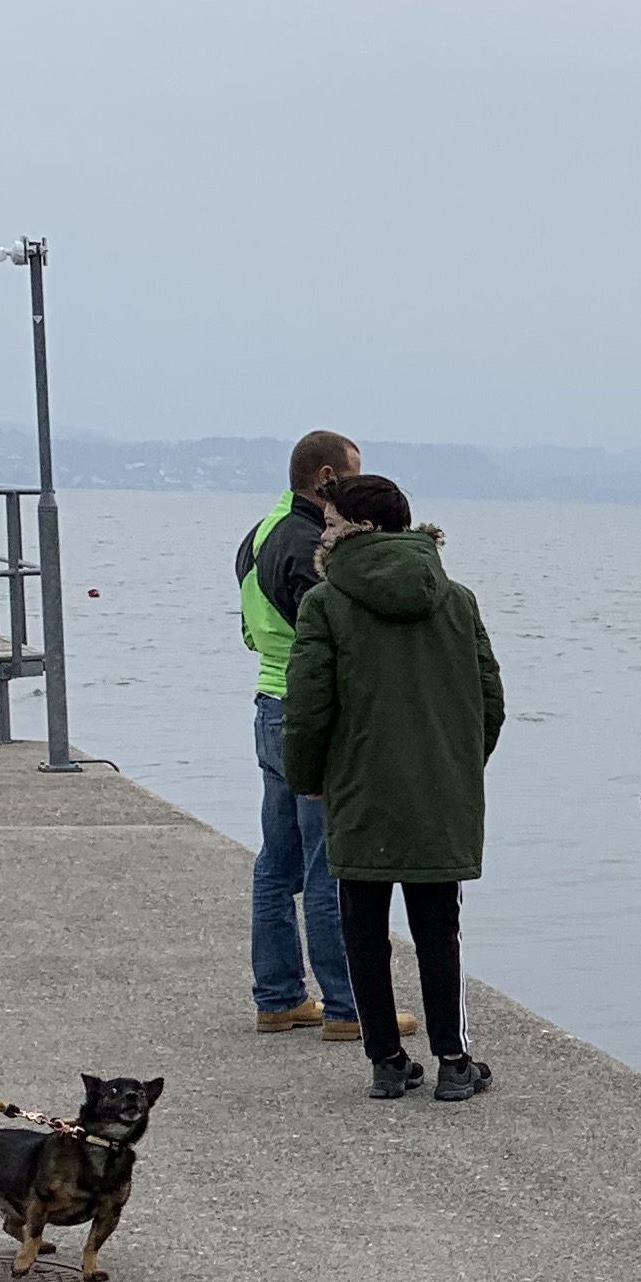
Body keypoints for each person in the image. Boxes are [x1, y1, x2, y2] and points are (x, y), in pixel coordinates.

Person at [281, 475, 502, 1101]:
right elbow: (490, 698)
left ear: (360, 528)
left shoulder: (325, 603)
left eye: (330, 523)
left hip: (359, 788)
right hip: (440, 790)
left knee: (363, 927)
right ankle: (454, 1061)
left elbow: (309, 705)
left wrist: (308, 777)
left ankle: (385, 1060)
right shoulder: (457, 600)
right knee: (439, 928)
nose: (322, 533)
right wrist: (459, 763)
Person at [236, 428, 404, 1047]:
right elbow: (334, 637)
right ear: (327, 478)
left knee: (276, 864)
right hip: (307, 711)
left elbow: (251, 630)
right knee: (329, 865)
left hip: (268, 701)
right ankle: (347, 1005)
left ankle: (278, 998)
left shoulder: (259, 533)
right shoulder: (309, 544)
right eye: (354, 475)